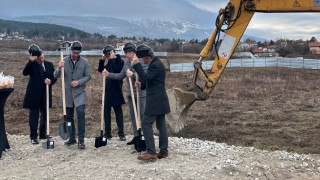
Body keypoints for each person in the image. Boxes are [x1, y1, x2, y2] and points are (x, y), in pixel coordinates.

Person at [127, 44, 170, 161]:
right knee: (161, 125)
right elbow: (152, 81)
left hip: (155, 100)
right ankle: (163, 151)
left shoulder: (154, 65)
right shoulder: (157, 63)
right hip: (161, 99)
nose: (141, 61)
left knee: (146, 123)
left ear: (147, 57)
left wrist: (136, 65)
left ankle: (151, 152)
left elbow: (145, 77)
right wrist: (142, 85)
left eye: (141, 59)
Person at [102, 42, 148, 145]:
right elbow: (120, 75)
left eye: (127, 53)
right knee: (133, 116)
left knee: (142, 116)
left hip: (141, 94)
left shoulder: (142, 61)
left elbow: (146, 77)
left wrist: (134, 74)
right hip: (131, 94)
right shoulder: (127, 63)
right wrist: (108, 74)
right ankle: (136, 136)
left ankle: (144, 138)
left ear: (132, 52)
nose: (125, 56)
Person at [54, 41, 91, 149]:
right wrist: (59, 68)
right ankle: (72, 138)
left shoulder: (85, 62)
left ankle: (81, 140)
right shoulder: (63, 61)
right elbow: (55, 76)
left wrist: (78, 82)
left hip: (80, 93)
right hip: (67, 94)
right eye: (74, 52)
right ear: (70, 51)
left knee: (80, 114)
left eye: (77, 53)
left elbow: (88, 76)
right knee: (69, 118)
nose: (75, 55)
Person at [23, 44, 57, 144]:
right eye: (38, 59)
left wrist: (50, 81)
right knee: (34, 115)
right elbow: (25, 73)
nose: (40, 60)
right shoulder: (32, 64)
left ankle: (43, 134)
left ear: (43, 55)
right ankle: (33, 136)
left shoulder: (49, 65)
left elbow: (54, 77)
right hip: (33, 94)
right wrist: (31, 61)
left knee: (45, 115)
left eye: (42, 57)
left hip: (45, 94)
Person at [98, 45, 126, 141]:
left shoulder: (120, 62)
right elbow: (100, 70)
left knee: (118, 113)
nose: (107, 56)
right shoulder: (109, 62)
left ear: (112, 52)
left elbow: (116, 71)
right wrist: (102, 60)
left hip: (116, 90)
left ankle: (121, 133)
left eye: (108, 54)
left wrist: (113, 59)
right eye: (106, 55)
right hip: (107, 90)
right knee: (106, 113)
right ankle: (108, 133)